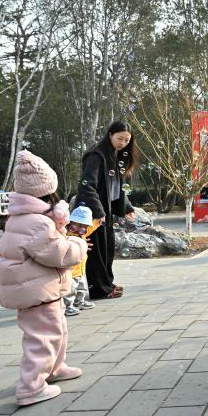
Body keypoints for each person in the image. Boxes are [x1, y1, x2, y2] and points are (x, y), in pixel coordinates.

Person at [0, 150, 88, 406]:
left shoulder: (23, 217)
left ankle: (55, 369)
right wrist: (78, 244)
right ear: (46, 191)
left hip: (39, 290)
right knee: (42, 338)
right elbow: (58, 254)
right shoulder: (38, 223)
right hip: (36, 292)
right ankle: (31, 387)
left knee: (56, 330)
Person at [75, 121, 137, 299]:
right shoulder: (96, 155)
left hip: (106, 211)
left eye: (127, 140)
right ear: (110, 134)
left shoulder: (114, 156)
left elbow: (116, 187)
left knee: (108, 249)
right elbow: (87, 187)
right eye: (120, 138)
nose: (123, 143)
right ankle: (99, 289)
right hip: (92, 212)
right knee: (96, 253)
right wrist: (98, 211)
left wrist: (126, 207)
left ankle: (107, 283)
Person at [63, 206, 100, 316]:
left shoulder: (82, 233)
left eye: (83, 227)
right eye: (77, 225)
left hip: (81, 267)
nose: (80, 228)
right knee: (70, 289)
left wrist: (98, 222)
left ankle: (80, 302)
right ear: (70, 222)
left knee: (82, 287)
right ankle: (67, 306)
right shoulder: (66, 234)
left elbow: (90, 229)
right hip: (70, 268)